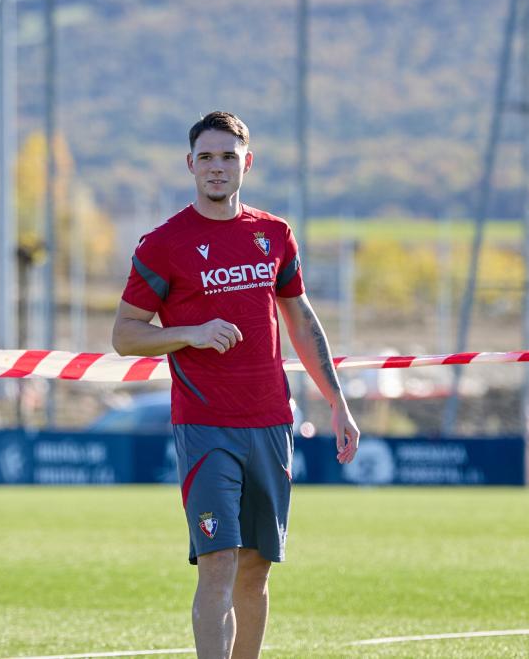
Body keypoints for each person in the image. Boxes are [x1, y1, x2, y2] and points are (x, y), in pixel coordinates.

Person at [112, 111, 360, 659]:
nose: (217, 168)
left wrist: (338, 403)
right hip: (205, 429)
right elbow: (125, 336)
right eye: (206, 157)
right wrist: (192, 333)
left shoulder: (274, 235)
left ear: (248, 161)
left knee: (255, 569)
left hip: (271, 423)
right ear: (190, 165)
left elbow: (300, 320)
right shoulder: (163, 243)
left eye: (228, 156)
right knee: (218, 562)